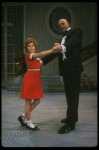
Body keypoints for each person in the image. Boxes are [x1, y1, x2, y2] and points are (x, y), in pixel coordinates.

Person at [41, 19, 84, 134]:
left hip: (74, 69)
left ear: (68, 23)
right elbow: (54, 53)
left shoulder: (76, 32)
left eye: (63, 23)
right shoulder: (62, 39)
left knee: (73, 96)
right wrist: (41, 62)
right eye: (59, 25)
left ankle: (70, 125)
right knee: (69, 95)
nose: (61, 26)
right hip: (66, 71)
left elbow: (72, 43)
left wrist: (62, 47)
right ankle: (72, 117)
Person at [18, 38, 59, 131]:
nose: (31, 47)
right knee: (28, 101)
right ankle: (29, 122)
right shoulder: (29, 55)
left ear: (35, 46)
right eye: (29, 46)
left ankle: (23, 116)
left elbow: (40, 63)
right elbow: (40, 54)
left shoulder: (36, 57)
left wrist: (54, 53)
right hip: (29, 79)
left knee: (37, 101)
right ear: (26, 48)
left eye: (32, 45)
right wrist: (51, 50)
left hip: (36, 79)